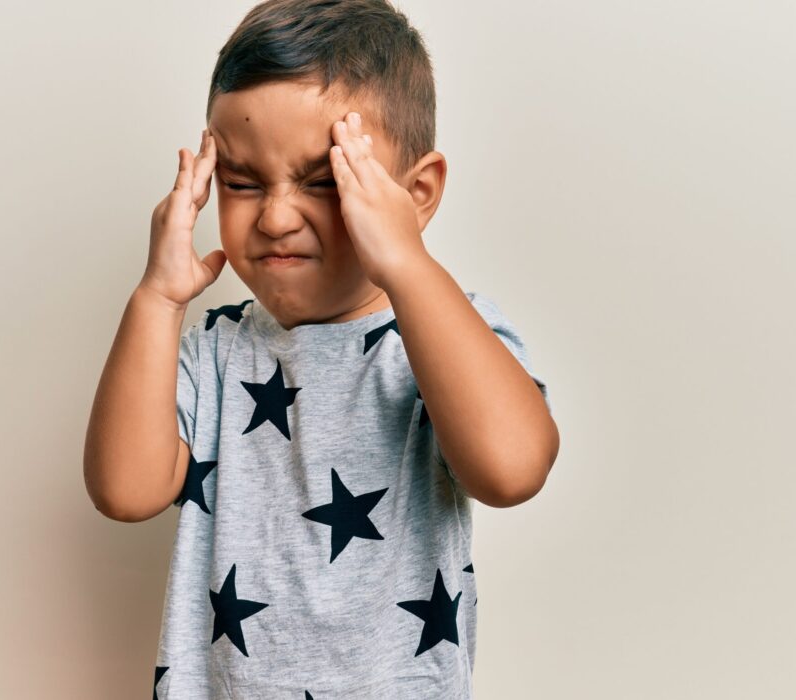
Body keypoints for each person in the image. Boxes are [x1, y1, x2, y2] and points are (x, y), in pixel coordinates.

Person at [83, 1, 560, 697]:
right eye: (242, 183)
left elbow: (513, 470)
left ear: (416, 193)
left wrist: (406, 262)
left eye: (324, 182)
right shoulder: (212, 354)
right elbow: (124, 492)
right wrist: (157, 300)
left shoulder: (445, 337)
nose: (275, 217)